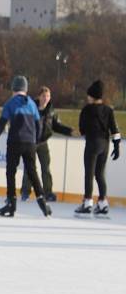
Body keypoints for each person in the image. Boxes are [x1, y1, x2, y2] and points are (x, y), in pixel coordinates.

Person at [0, 75, 51, 218]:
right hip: (30, 143)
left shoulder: (10, 103)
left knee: (11, 172)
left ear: (13, 88)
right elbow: (38, 125)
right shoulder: (32, 104)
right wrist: (36, 140)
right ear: (26, 89)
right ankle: (42, 202)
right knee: (32, 172)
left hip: (15, 142)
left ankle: (11, 203)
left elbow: (1, 124)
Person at [75, 80, 120, 217]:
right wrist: (116, 146)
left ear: (92, 96)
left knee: (89, 173)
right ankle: (102, 203)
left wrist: (85, 131)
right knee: (100, 174)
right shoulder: (108, 110)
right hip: (104, 145)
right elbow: (114, 129)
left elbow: (82, 129)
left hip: (92, 144)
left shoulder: (86, 109)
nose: (87, 98)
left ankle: (88, 202)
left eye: (89, 95)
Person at [20, 86, 73, 202]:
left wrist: (69, 131)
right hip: (31, 142)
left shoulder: (51, 110)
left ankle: (48, 193)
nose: (46, 98)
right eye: (44, 96)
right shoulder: (30, 108)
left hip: (43, 143)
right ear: (39, 96)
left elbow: (56, 126)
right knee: (29, 168)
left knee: (46, 168)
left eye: (48, 96)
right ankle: (25, 191)